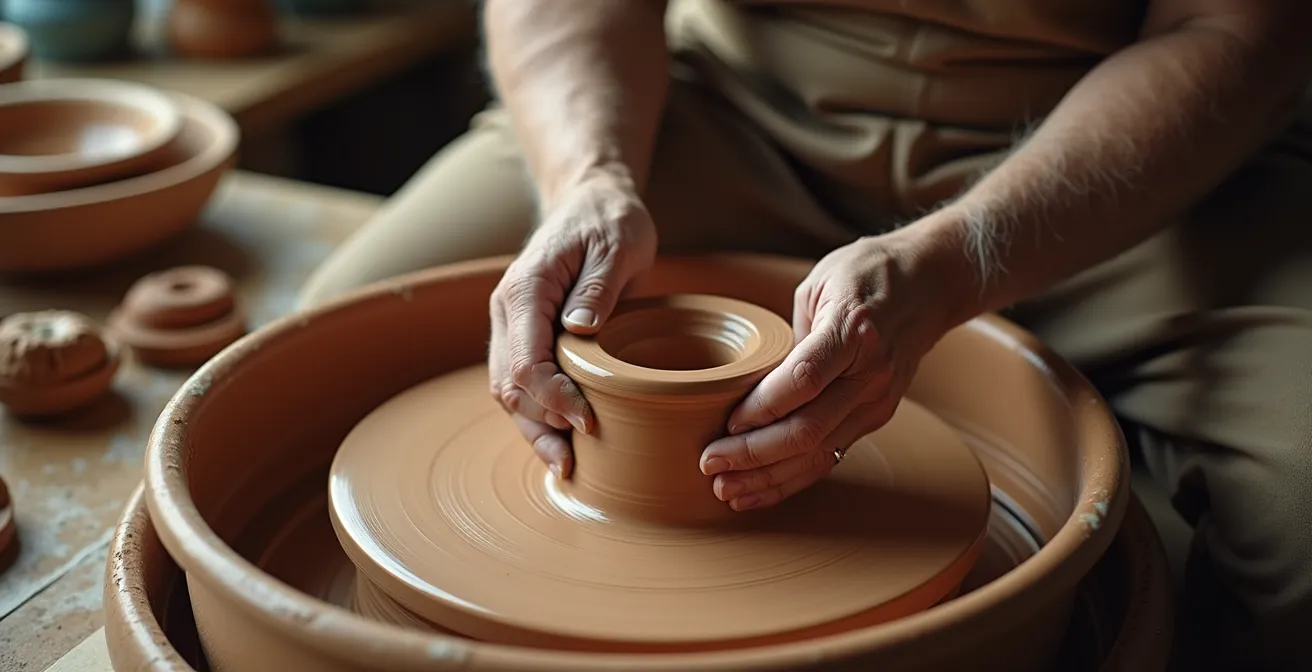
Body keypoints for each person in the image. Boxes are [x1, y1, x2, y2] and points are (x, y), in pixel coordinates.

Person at [300, 0, 1312, 667]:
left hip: (1129, 155)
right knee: (318, 366)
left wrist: (958, 263)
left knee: (1300, 536)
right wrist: (591, 175)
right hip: (734, 106)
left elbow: (1230, 35)